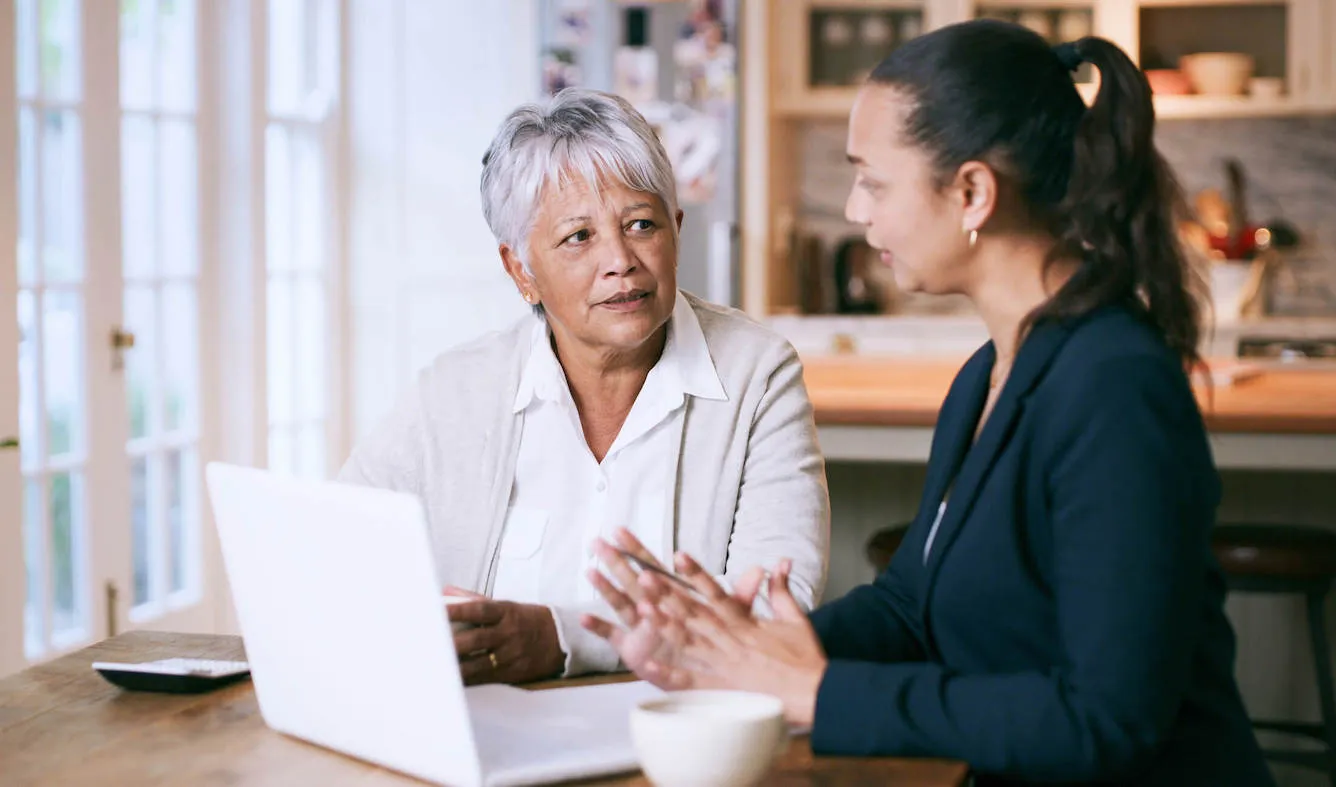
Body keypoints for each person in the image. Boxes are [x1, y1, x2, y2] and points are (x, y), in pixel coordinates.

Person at [584, 20, 1275, 786]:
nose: (853, 208)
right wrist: (747, 646)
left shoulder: (1113, 385)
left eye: (874, 181)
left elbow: (1107, 717)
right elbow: (914, 603)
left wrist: (817, 691)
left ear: (973, 192)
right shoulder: (988, 373)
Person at [338, 88, 829, 686]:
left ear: (675, 232)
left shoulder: (757, 373)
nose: (620, 260)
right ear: (521, 269)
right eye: (579, 237)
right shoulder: (455, 391)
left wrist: (562, 638)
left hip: (685, 736)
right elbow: (341, 551)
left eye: (641, 224)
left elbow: (779, 601)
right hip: (488, 739)